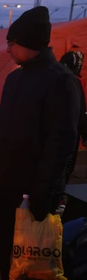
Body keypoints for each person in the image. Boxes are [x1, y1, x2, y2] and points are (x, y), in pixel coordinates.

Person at [0, 6, 81, 280]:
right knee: (3, 245)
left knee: (32, 251)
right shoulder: (15, 79)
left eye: (13, 42)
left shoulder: (61, 81)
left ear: (31, 43)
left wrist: (44, 189)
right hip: (3, 181)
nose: (8, 48)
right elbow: (3, 130)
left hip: (32, 186)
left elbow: (61, 142)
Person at [59, 51, 87, 182]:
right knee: (63, 171)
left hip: (50, 135)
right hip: (68, 135)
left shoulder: (49, 78)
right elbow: (80, 112)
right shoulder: (74, 82)